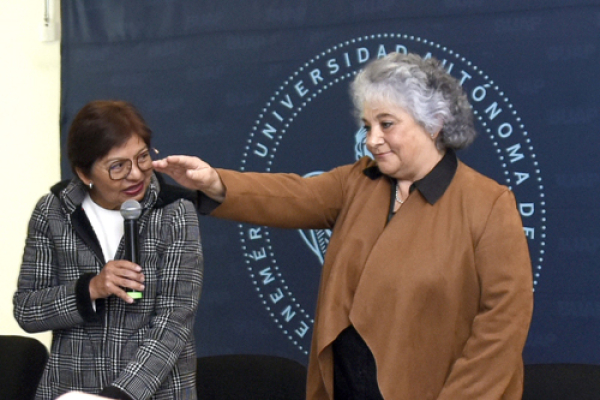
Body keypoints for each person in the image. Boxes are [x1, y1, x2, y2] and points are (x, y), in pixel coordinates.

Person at [153, 52, 534, 399]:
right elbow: (291, 195)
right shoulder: (359, 181)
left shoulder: (488, 204)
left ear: (433, 123)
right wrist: (214, 182)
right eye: (368, 126)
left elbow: (501, 328)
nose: (372, 140)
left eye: (386, 124)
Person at [13, 100, 203, 400]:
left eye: (142, 158)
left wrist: (119, 395)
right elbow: (27, 309)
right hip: (72, 390)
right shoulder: (53, 211)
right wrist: (89, 289)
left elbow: (174, 322)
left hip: (156, 393)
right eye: (117, 166)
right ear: (84, 173)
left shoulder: (174, 211)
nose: (136, 175)